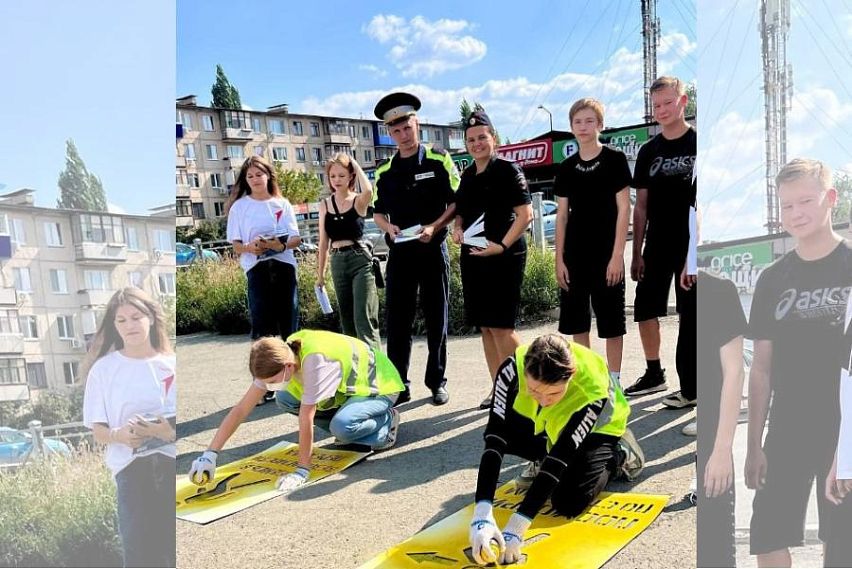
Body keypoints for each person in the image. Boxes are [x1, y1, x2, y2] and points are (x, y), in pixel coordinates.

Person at [744, 158, 851, 567]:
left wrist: (850, 450)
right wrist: (753, 445)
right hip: (786, 428)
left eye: (805, 201)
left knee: (841, 543)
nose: (796, 213)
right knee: (768, 534)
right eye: (786, 205)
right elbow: (762, 369)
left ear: (830, 199)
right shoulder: (773, 279)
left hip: (843, 431)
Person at [467, 334, 643, 565]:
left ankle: (618, 454)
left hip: (599, 430)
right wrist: (482, 515)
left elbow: (561, 455)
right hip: (552, 425)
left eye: (553, 393)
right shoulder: (510, 370)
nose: (543, 399)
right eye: (534, 390)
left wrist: (518, 526)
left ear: (570, 378)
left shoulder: (591, 390)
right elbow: (494, 439)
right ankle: (542, 453)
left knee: (568, 502)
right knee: (506, 434)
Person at [188, 330, 404, 493]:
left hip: (380, 387)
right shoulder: (282, 354)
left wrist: (302, 470)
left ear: (289, 367)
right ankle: (349, 423)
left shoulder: (314, 362)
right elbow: (241, 409)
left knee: (343, 427)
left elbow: (306, 417)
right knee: (285, 399)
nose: (269, 387)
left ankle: (386, 423)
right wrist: (210, 454)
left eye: (272, 381)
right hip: (348, 391)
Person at [372, 92, 460, 406]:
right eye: (395, 131)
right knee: (397, 322)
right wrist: (388, 228)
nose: (403, 135)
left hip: (432, 250)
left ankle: (436, 381)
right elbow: (377, 212)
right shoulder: (384, 171)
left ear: (416, 124)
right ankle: (399, 384)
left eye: (407, 127)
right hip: (401, 255)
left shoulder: (439, 158)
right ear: (389, 133)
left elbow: (455, 202)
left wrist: (435, 227)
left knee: (437, 318)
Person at [82, 288, 176, 568]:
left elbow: (181, 426)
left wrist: (165, 431)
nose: (129, 325)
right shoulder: (103, 370)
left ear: (151, 318)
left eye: (136, 317)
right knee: (139, 555)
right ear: (113, 326)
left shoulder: (170, 365)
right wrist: (119, 435)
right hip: (131, 472)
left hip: (171, 465)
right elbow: (97, 431)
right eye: (121, 320)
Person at [451, 110, 532, 409]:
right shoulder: (468, 175)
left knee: (501, 327)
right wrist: (457, 227)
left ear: (493, 138)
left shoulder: (509, 171)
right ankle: (500, 389)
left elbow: (526, 215)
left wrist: (501, 245)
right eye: (471, 140)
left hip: (504, 256)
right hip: (474, 256)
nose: (476, 143)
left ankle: (528, 386)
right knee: (485, 327)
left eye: (482, 137)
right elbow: (461, 210)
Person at [625, 76, 696, 408]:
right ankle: (654, 373)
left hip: (690, 242)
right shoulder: (648, 151)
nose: (662, 110)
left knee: (690, 314)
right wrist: (637, 250)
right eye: (656, 105)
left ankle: (691, 388)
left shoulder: (699, 144)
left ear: (683, 102)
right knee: (644, 308)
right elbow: (641, 205)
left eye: (669, 102)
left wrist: (694, 254)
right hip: (656, 243)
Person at [554, 98, 631, 388]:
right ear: (571, 127)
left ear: (600, 124)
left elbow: (625, 209)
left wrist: (617, 255)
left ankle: (614, 382)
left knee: (612, 323)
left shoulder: (614, 159)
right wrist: (559, 259)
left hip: (606, 254)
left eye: (589, 121)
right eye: (577, 122)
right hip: (574, 255)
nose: (583, 127)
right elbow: (561, 216)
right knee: (578, 323)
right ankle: (587, 380)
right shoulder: (566, 167)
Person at [225, 155, 302, 404]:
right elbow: (235, 244)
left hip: (283, 265)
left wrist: (278, 245)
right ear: (245, 180)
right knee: (261, 327)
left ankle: (297, 382)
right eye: (250, 176)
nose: (256, 179)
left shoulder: (281, 203)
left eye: (259, 174)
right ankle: (263, 386)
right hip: (256, 268)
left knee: (290, 324)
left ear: (269, 175)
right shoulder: (240, 207)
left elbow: (295, 238)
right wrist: (250, 247)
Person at [695, 268, 746, 568]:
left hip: (712, 438)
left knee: (716, 552)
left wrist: (722, 450)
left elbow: (735, 372)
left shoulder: (718, 289)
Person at [316, 152, 381, 347]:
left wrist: (353, 162)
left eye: (342, 175)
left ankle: (375, 371)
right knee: (347, 322)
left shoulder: (358, 201)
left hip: (360, 260)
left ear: (351, 176)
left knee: (363, 318)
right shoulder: (325, 205)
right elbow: (322, 243)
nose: (337, 180)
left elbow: (369, 190)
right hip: (337, 262)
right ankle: (355, 371)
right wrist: (320, 276)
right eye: (332, 176)